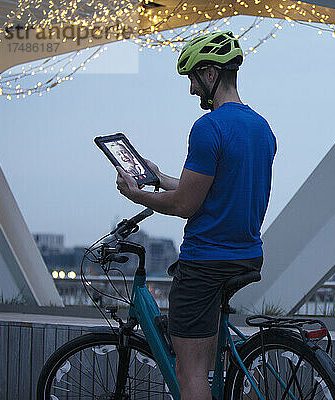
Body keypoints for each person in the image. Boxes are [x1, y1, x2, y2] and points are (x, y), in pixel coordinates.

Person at [115, 30, 277, 400]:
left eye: (191, 77)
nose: (191, 90)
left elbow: (185, 205)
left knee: (190, 374)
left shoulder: (209, 127)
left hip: (206, 263)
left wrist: (137, 193)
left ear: (208, 73)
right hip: (246, 254)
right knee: (209, 364)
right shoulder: (262, 128)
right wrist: (158, 178)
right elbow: (213, 189)